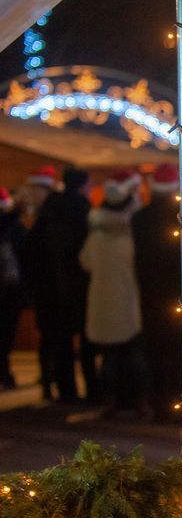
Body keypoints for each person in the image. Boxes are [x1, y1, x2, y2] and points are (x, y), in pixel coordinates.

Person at [80, 168, 148, 418]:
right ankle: (139, 399)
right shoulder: (133, 234)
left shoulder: (96, 234)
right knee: (134, 354)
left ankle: (109, 399)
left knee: (109, 356)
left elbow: (85, 262)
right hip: (130, 301)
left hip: (102, 301)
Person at [26, 167, 96, 403]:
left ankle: (58, 387)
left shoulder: (49, 210)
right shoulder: (83, 210)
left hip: (49, 287)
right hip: (78, 285)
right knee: (86, 340)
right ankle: (90, 389)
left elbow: (33, 248)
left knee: (55, 339)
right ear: (81, 185)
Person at [132, 163, 182, 422]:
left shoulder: (139, 218)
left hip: (149, 295)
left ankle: (160, 407)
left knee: (155, 352)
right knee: (178, 353)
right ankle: (179, 404)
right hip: (178, 295)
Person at [0, 187, 26, 390]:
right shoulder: (15, 228)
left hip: (9, 290)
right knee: (6, 333)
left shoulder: (13, 227)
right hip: (9, 290)